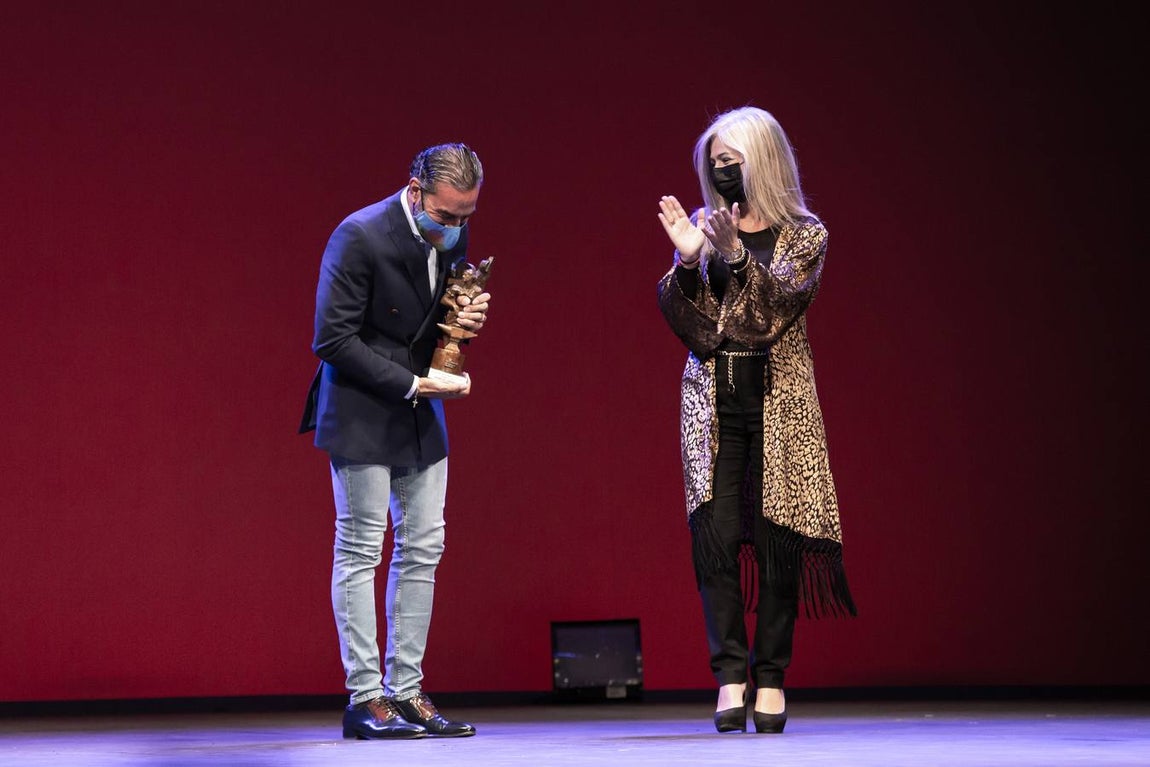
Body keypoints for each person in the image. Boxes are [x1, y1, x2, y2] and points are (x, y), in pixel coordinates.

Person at [655, 107, 856, 735]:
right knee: (714, 539)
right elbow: (693, 326)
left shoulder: (804, 234)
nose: (721, 171)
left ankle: (770, 678)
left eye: (731, 161)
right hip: (713, 407)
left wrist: (737, 256)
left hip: (779, 404)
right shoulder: (705, 224)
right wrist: (688, 262)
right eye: (714, 162)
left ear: (761, 160)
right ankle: (729, 677)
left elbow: (770, 315)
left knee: (777, 543)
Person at [299, 143, 490, 740]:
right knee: (361, 549)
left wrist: (462, 326)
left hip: (421, 411)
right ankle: (366, 698)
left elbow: (424, 323)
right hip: (363, 407)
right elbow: (332, 339)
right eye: (447, 214)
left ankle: (407, 691)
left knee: (424, 547)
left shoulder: (447, 235)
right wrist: (412, 383)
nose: (455, 228)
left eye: (466, 216)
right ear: (415, 191)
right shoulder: (359, 235)